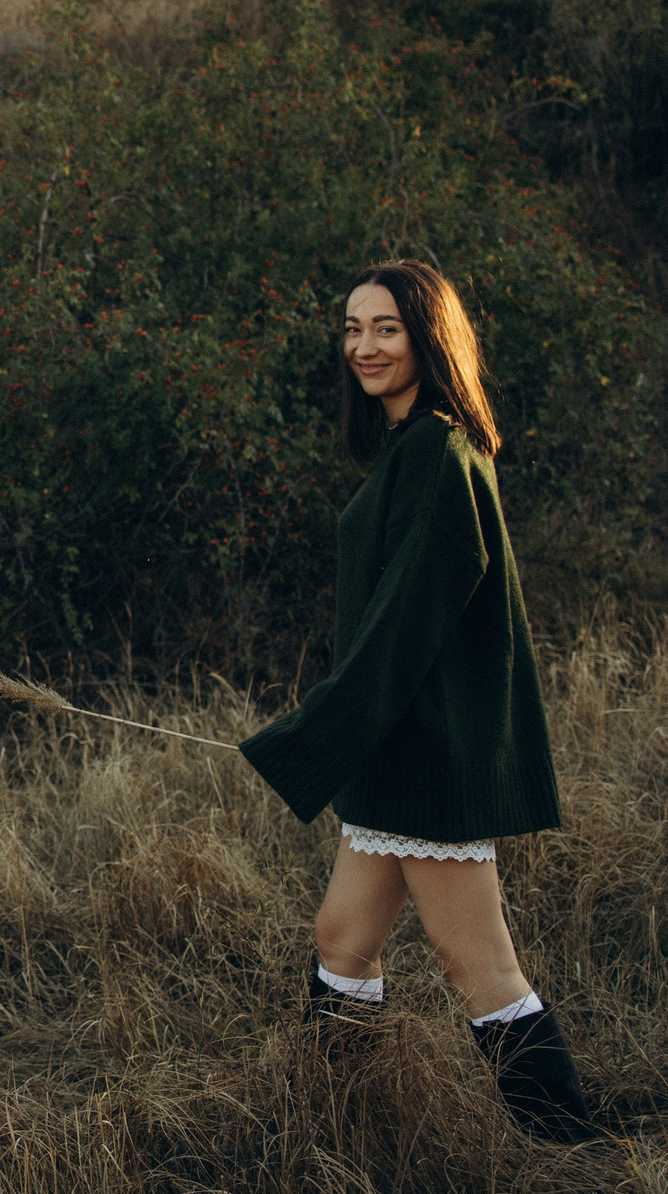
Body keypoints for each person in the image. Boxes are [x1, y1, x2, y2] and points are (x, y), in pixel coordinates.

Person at [239, 261, 599, 1143]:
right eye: (353, 328)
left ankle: (574, 1148)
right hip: (398, 743)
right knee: (341, 936)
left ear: (427, 337)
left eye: (386, 328)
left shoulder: (440, 450)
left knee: (477, 963)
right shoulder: (410, 445)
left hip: (429, 744)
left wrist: (309, 734)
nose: (363, 345)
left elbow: (402, 628)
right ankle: (335, 1124)